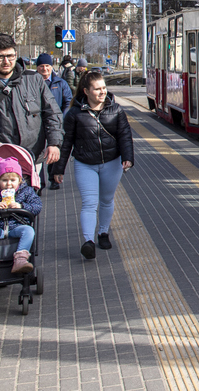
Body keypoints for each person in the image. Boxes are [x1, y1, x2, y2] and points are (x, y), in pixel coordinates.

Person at [51, 71, 134, 259]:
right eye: (97, 89)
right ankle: (88, 241)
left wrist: (127, 158)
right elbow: (66, 142)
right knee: (89, 203)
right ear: (86, 91)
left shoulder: (116, 110)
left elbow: (125, 136)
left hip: (111, 163)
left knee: (106, 200)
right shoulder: (74, 113)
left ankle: (103, 233)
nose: (102, 92)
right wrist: (59, 169)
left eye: (104, 88)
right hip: (85, 164)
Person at [0, 33, 63, 174]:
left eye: (10, 56)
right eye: (0, 56)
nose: (6, 61)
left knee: (30, 195)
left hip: (31, 157)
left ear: (16, 54)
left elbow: (52, 113)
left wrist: (54, 143)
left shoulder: (33, 80)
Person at [0, 156, 41, 279]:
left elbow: (37, 206)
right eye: (4, 180)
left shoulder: (26, 192)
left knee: (29, 231)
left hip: (18, 225)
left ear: (20, 181)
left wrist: (21, 206)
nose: (9, 184)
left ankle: (21, 260)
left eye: (13, 180)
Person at [35, 53, 73, 190]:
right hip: (36, 125)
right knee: (38, 153)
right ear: (37, 68)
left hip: (55, 124)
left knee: (54, 151)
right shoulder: (32, 83)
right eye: (41, 66)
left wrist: (62, 118)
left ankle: (53, 179)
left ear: (52, 67)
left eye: (47, 66)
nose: (44, 69)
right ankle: (38, 183)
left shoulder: (60, 83)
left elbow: (68, 101)